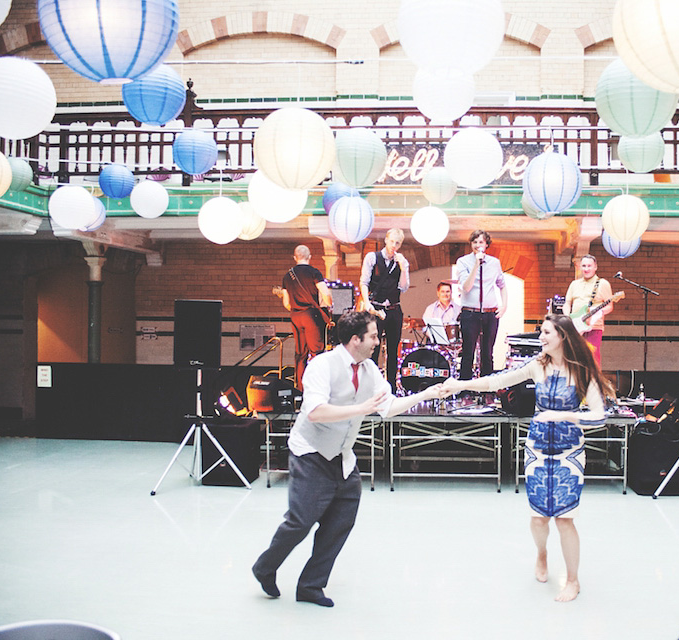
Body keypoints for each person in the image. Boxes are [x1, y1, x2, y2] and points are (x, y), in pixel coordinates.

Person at [252, 310, 447, 607]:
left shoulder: (369, 370)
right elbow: (315, 412)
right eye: (373, 337)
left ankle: (311, 587)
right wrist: (361, 409)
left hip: (343, 458)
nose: (377, 342)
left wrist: (427, 393)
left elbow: (388, 407)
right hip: (310, 453)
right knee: (301, 521)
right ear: (355, 339)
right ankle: (265, 567)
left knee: (340, 523)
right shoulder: (323, 366)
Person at [442, 314, 614, 602]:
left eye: (546, 333)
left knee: (565, 519)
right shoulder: (537, 365)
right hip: (537, 450)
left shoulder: (583, 370)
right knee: (538, 519)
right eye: (541, 333)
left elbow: (599, 416)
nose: (541, 338)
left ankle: (573, 580)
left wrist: (564, 415)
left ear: (563, 336)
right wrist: (460, 385)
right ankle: (542, 554)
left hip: (569, 453)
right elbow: (497, 381)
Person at [359, 228, 410, 391]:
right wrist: (367, 302)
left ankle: (391, 388)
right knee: (373, 348)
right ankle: (370, 388)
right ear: (386, 240)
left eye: (398, 243)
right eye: (392, 241)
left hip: (394, 309)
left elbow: (403, 287)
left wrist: (403, 267)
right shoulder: (373, 257)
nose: (394, 245)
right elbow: (364, 282)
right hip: (376, 308)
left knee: (393, 350)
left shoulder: (401, 261)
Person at [278, 245, 333, 390]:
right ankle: (318, 387)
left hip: (295, 316)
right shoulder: (314, 272)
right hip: (311, 315)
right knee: (317, 353)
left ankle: (300, 389)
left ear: (295, 257)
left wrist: (296, 308)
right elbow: (325, 292)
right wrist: (328, 304)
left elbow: (286, 303)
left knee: (300, 354)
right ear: (310, 257)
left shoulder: (287, 276)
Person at [455, 229, 507, 380]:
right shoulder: (463, 262)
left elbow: (502, 285)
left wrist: (504, 306)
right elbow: (466, 286)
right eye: (475, 242)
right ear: (471, 244)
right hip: (470, 313)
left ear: (486, 244)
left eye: (481, 242)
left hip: (490, 313)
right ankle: (465, 388)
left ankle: (487, 389)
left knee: (487, 353)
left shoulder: (494, 263)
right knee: (468, 352)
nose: (478, 245)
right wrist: (476, 265)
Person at [562, 254, 614, 365]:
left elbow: (610, 306)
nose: (586, 269)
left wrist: (599, 312)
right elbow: (567, 303)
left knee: (592, 358)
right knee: (573, 358)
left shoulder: (602, 284)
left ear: (595, 267)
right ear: (580, 267)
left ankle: (594, 381)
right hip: (575, 326)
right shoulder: (574, 284)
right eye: (584, 266)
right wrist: (568, 318)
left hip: (593, 327)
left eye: (589, 266)